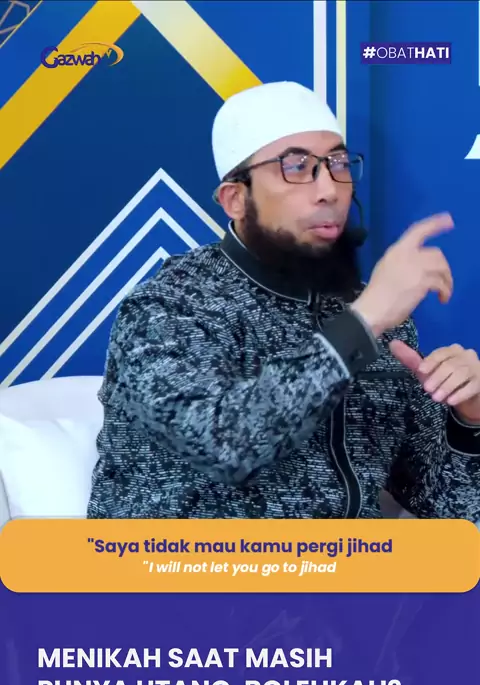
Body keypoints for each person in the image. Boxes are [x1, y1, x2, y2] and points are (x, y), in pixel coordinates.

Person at [87, 81, 480, 520]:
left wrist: (469, 422)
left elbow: (450, 507)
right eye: (296, 166)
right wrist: (362, 324)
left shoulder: (375, 316)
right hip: (185, 563)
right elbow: (224, 447)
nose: (329, 189)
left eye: (338, 164)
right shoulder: (169, 306)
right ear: (235, 199)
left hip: (354, 563)